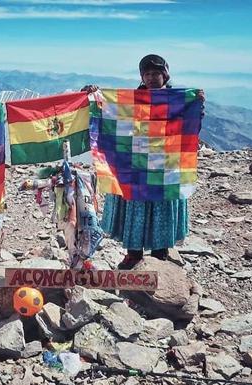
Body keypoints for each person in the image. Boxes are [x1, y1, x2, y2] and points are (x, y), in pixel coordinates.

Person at [84, 54, 205, 269]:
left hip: (166, 165)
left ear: (165, 75)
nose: (151, 78)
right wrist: (95, 95)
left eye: (156, 73)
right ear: (141, 76)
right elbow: (108, 114)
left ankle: (160, 255)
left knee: (161, 207)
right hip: (136, 164)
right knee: (136, 207)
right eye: (147, 74)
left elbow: (189, 126)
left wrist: (196, 105)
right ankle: (133, 254)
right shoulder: (131, 101)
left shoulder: (177, 101)